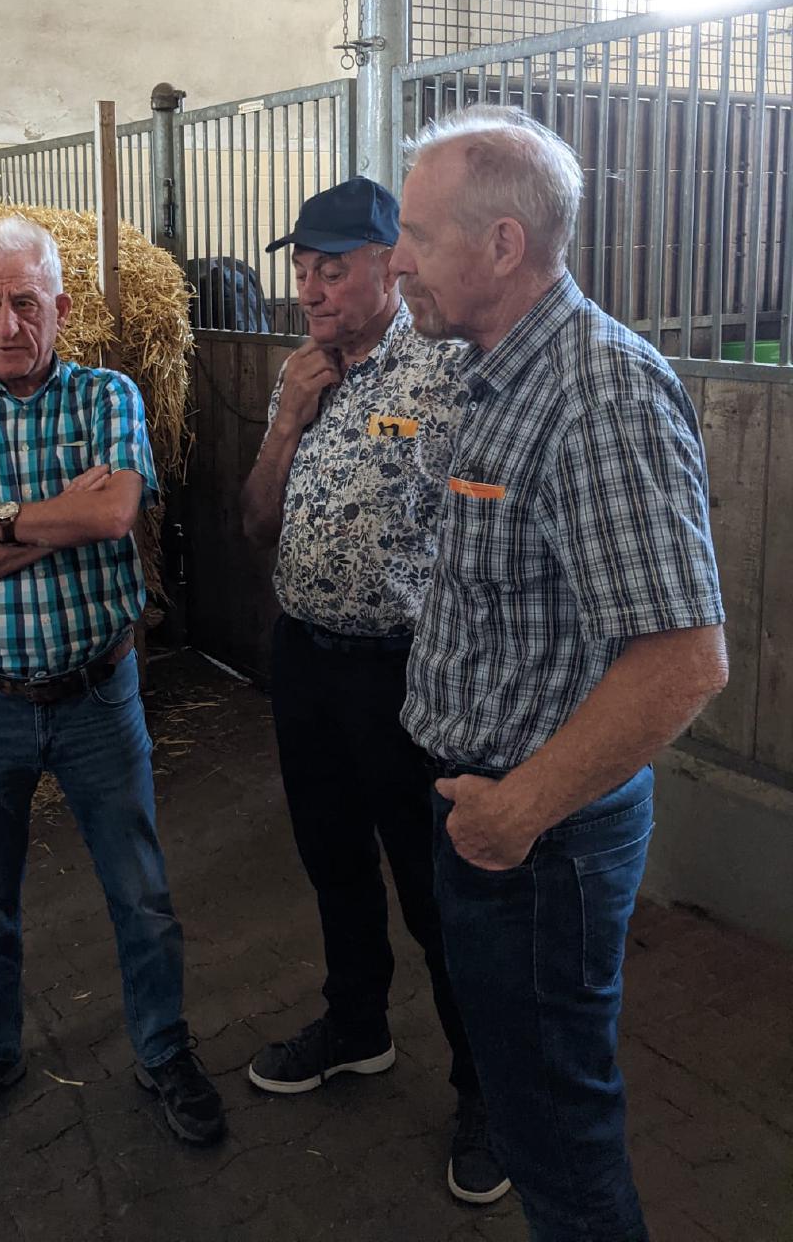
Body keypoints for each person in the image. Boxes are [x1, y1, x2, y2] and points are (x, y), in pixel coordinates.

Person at [391, 105, 728, 1242]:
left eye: (417, 235)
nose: (398, 260)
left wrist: (517, 813)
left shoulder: (599, 393)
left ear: (502, 244)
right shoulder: (495, 373)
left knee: (559, 1140)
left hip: (537, 845)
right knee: (536, 1110)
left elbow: (683, 659)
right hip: (495, 822)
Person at [0, 214, 226, 1147]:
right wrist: (46, 521)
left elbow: (112, 515)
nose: (7, 324)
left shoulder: (106, 395)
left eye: (26, 303)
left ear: (62, 308)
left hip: (96, 697)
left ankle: (163, 1048)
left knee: (141, 893)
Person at [239, 177, 507, 1205]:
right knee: (331, 859)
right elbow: (254, 524)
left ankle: (484, 1089)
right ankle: (357, 1026)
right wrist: (286, 422)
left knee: (435, 891)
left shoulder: (446, 370)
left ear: (390, 268)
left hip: (405, 675)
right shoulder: (299, 373)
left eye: (332, 270)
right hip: (305, 659)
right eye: (303, 269)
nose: (310, 290)